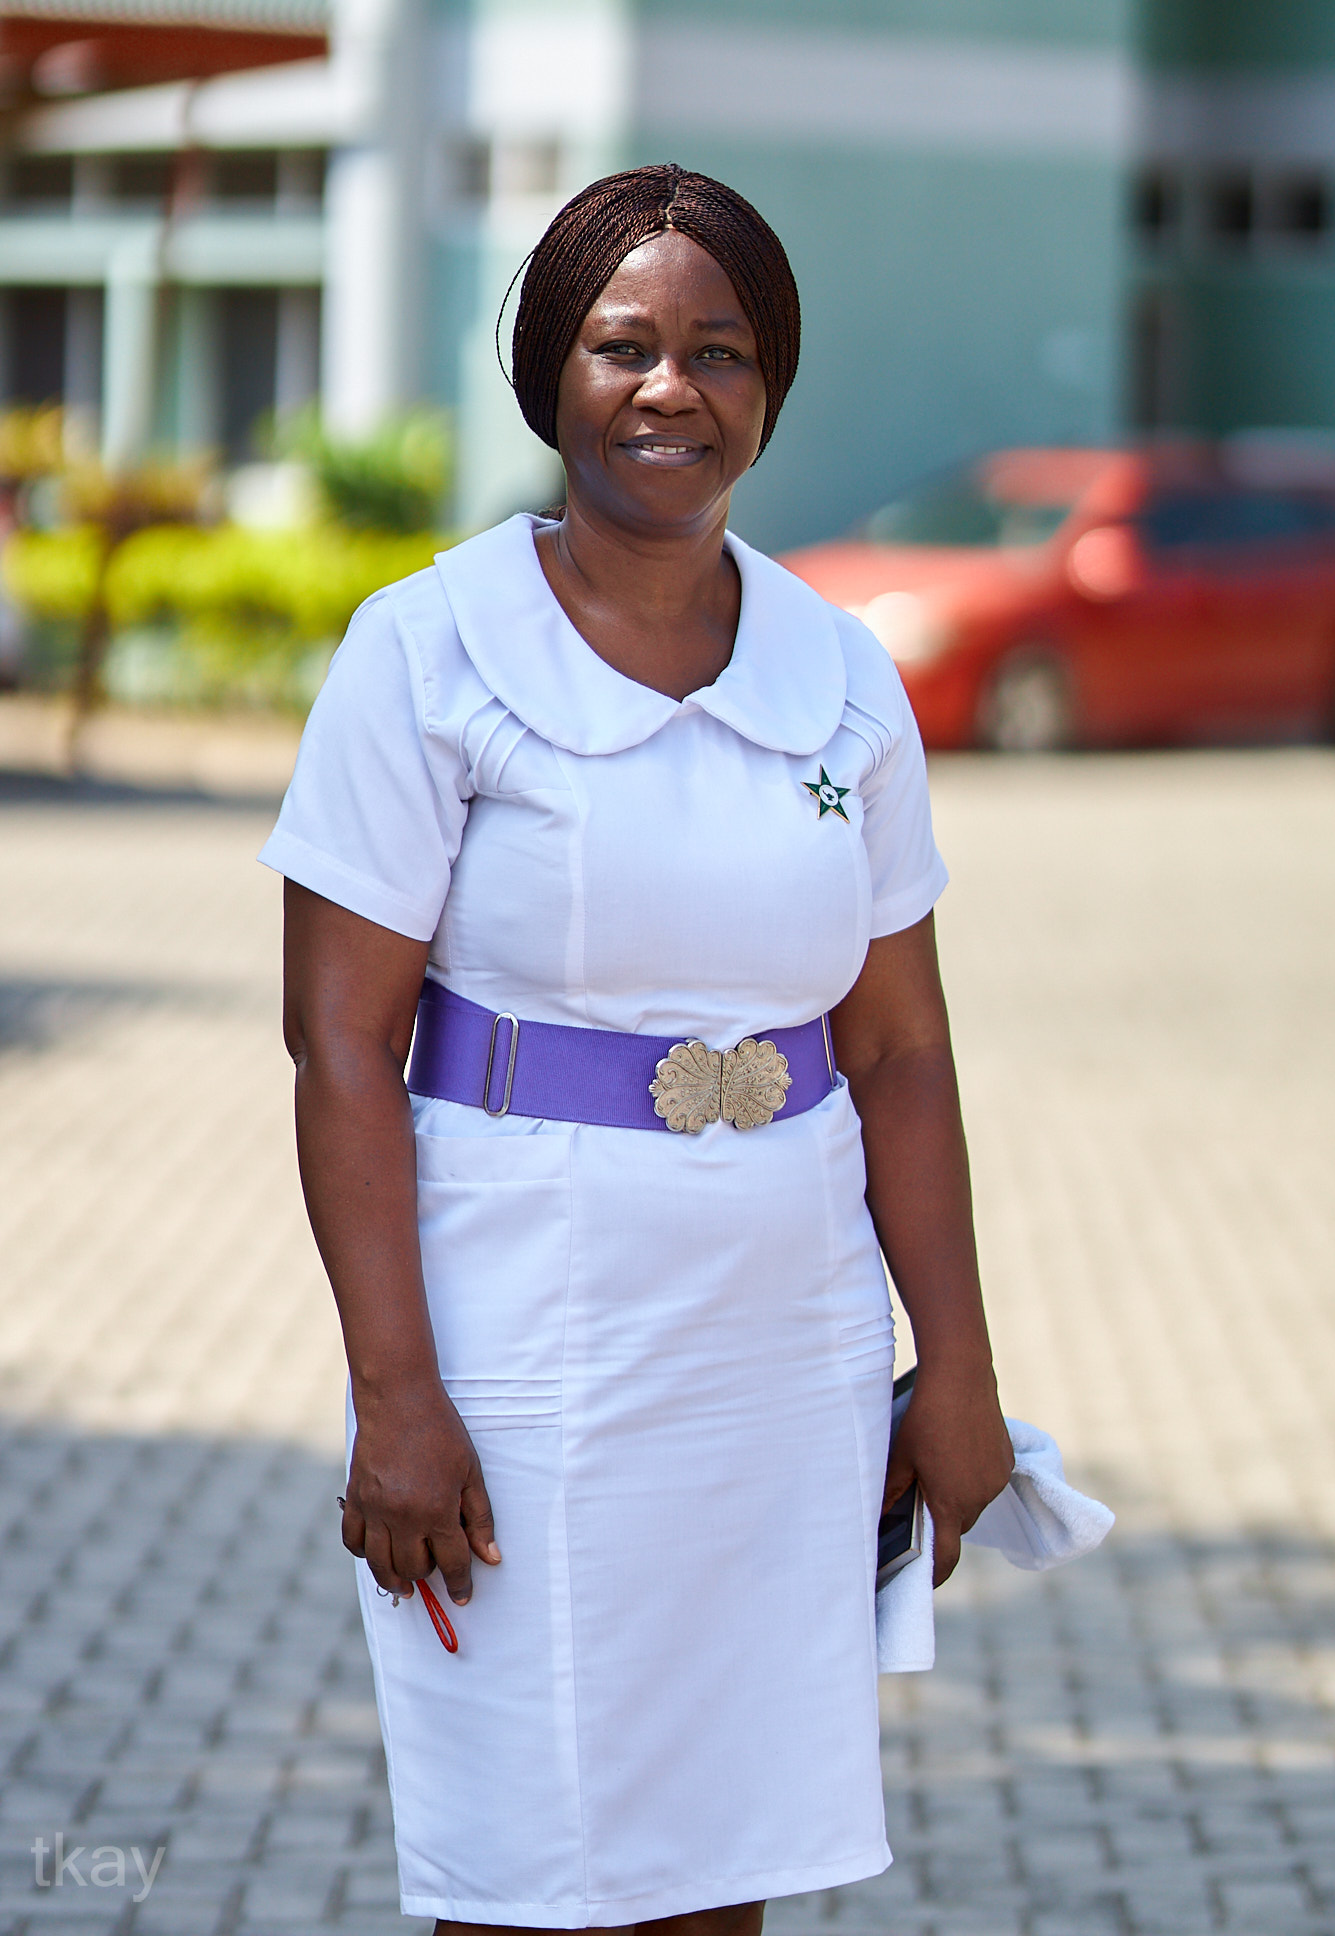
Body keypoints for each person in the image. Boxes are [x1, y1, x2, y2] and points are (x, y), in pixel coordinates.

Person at [261, 162, 1013, 1936]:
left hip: (783, 1352)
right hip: (519, 1344)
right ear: (550, 373)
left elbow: (900, 1050)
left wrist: (960, 1371)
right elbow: (338, 1042)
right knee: (525, 1867)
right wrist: (396, 1398)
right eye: (623, 345)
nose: (671, 388)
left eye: (719, 351)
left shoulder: (840, 673)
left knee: (721, 1863)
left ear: (769, 387)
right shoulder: (428, 652)